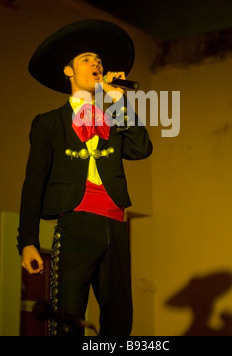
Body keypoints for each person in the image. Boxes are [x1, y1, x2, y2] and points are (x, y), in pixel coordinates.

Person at [17, 19, 153, 336]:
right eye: (87, 59)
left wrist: (121, 102)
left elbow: (141, 148)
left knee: (119, 319)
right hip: (76, 223)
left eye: (99, 62)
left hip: (116, 224)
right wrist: (27, 242)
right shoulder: (49, 123)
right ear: (69, 71)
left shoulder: (113, 117)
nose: (96, 64)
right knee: (67, 317)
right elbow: (33, 184)